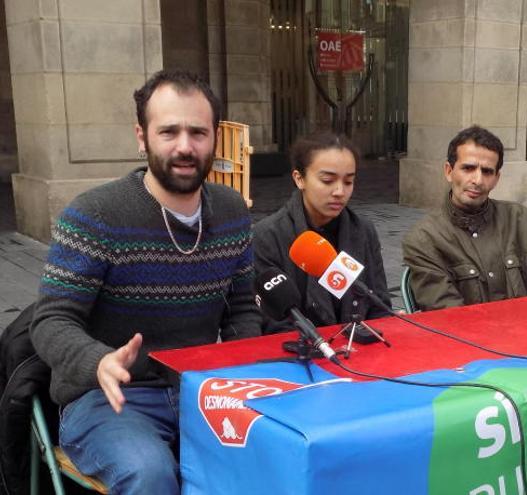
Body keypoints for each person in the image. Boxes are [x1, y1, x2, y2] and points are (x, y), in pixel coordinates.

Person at [29, 70, 261, 493]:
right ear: (142, 136)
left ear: (215, 137)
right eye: (169, 131)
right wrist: (98, 360)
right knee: (150, 473)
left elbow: (241, 308)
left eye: (198, 132)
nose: (185, 147)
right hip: (110, 399)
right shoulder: (95, 215)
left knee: (279, 451)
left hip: (201, 389)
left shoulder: (231, 212)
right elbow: (50, 320)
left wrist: (240, 369)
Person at [402, 125, 527, 311]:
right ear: (449, 171)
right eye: (468, 168)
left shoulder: (520, 221)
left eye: (487, 171)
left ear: (496, 178)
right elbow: (448, 313)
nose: (477, 180)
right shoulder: (425, 239)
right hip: (469, 339)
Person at [253, 131, 392, 331]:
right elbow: (271, 323)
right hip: (298, 354)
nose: (339, 192)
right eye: (327, 180)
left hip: (360, 351)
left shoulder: (363, 231)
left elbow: (379, 306)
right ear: (299, 178)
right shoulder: (267, 237)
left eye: (348, 182)